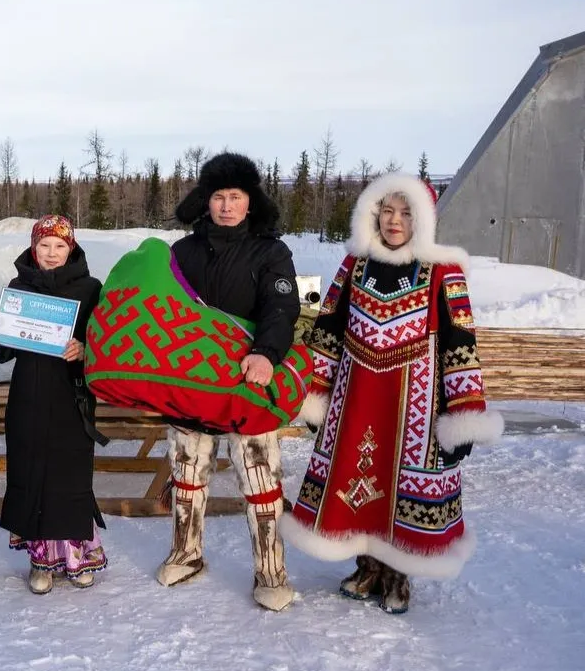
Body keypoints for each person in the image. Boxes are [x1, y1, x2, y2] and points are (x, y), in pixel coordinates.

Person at [280, 173, 502, 614]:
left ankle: (397, 574)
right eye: (387, 210)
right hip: (355, 398)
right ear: (372, 214)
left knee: (403, 485)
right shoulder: (354, 265)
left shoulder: (442, 271)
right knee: (356, 480)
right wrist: (316, 394)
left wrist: (463, 415)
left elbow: (461, 342)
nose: (395, 220)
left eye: (405, 212)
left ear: (423, 218)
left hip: (416, 407)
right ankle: (366, 566)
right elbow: (327, 331)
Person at [157, 152, 300, 611]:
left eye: (235, 196)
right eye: (218, 196)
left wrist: (267, 354)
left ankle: (271, 570)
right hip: (191, 385)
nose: (226, 205)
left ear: (250, 201)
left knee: (260, 479)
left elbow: (282, 311)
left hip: (248, 382)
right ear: (206, 200)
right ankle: (187, 552)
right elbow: (166, 309)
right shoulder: (183, 252)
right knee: (187, 474)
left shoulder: (271, 251)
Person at [0, 215, 108, 594]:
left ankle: (76, 556)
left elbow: (106, 341)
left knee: (69, 473)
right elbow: (8, 350)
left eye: (59, 246)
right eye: (44, 246)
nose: (51, 253)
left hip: (70, 394)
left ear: (71, 248)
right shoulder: (19, 287)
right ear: (33, 247)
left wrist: (86, 348)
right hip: (30, 394)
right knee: (32, 470)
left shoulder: (90, 288)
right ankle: (41, 560)